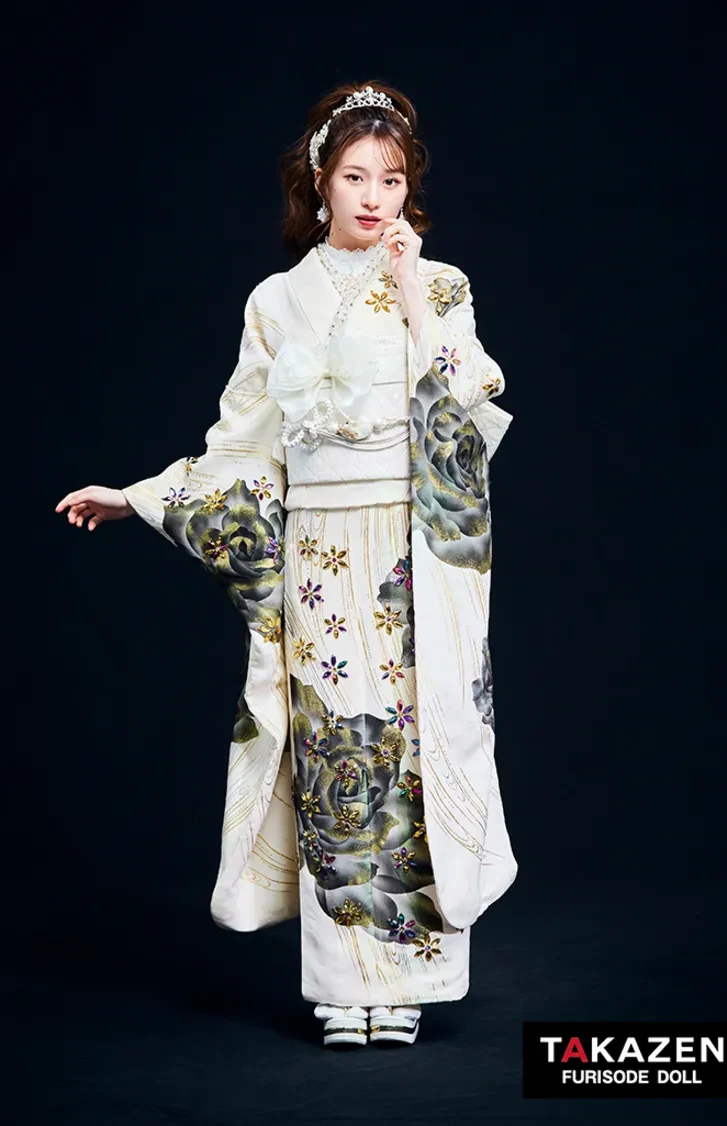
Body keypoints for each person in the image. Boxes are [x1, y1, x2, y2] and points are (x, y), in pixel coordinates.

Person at [55, 80, 518, 1049]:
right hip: (318, 551)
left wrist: (408, 291)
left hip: (410, 546)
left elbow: (467, 404)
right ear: (319, 181)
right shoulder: (276, 301)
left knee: (413, 753)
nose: (375, 197)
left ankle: (410, 984)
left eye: (392, 179)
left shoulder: (443, 285)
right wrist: (139, 496)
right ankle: (345, 986)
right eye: (355, 176)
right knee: (334, 748)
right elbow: (242, 444)